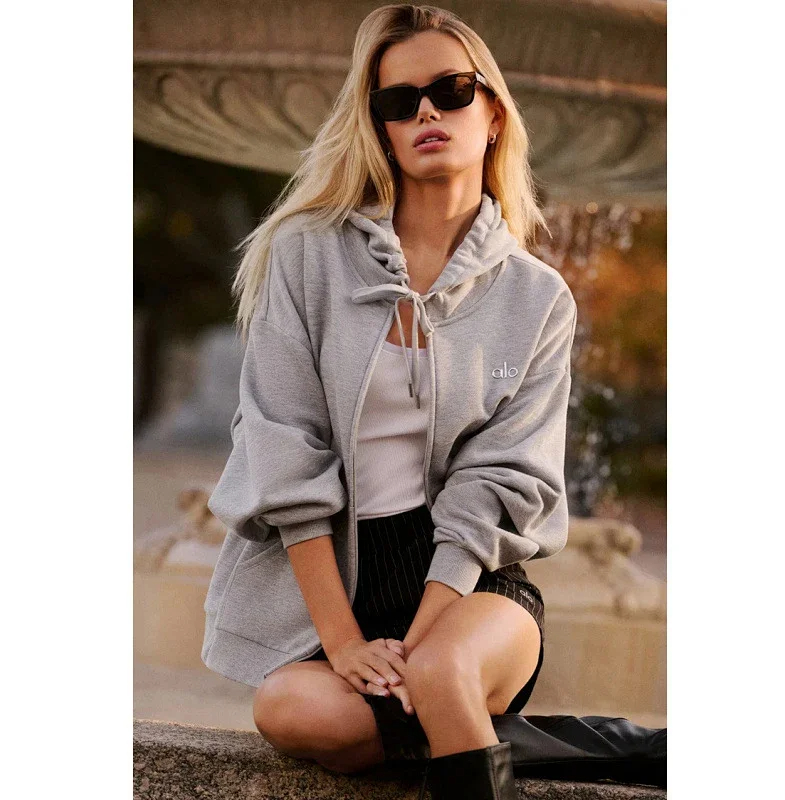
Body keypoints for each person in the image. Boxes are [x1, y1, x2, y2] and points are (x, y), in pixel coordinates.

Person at [201, 5, 578, 799]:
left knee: (443, 668)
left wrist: (420, 642)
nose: (427, 112)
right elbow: (282, 445)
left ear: (493, 112)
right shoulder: (306, 255)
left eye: (451, 90)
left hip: (470, 583)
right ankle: (491, 734)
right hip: (340, 579)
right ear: (378, 127)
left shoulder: (537, 298)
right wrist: (343, 644)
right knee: (292, 710)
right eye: (399, 102)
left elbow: (502, 480)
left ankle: (448, 700)